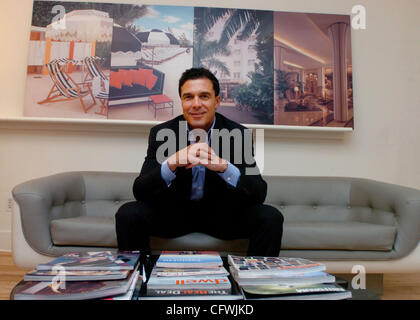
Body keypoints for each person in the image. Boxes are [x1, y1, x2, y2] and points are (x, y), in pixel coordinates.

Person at [115, 67, 283, 257]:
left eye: (204, 96)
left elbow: (258, 193)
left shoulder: (239, 134)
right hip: (174, 216)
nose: (196, 104)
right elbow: (140, 191)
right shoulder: (162, 133)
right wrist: (171, 164)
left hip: (223, 217)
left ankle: (257, 282)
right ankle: (137, 280)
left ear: (217, 101)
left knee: (270, 216)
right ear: (182, 102)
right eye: (188, 97)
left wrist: (224, 167)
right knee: (128, 213)